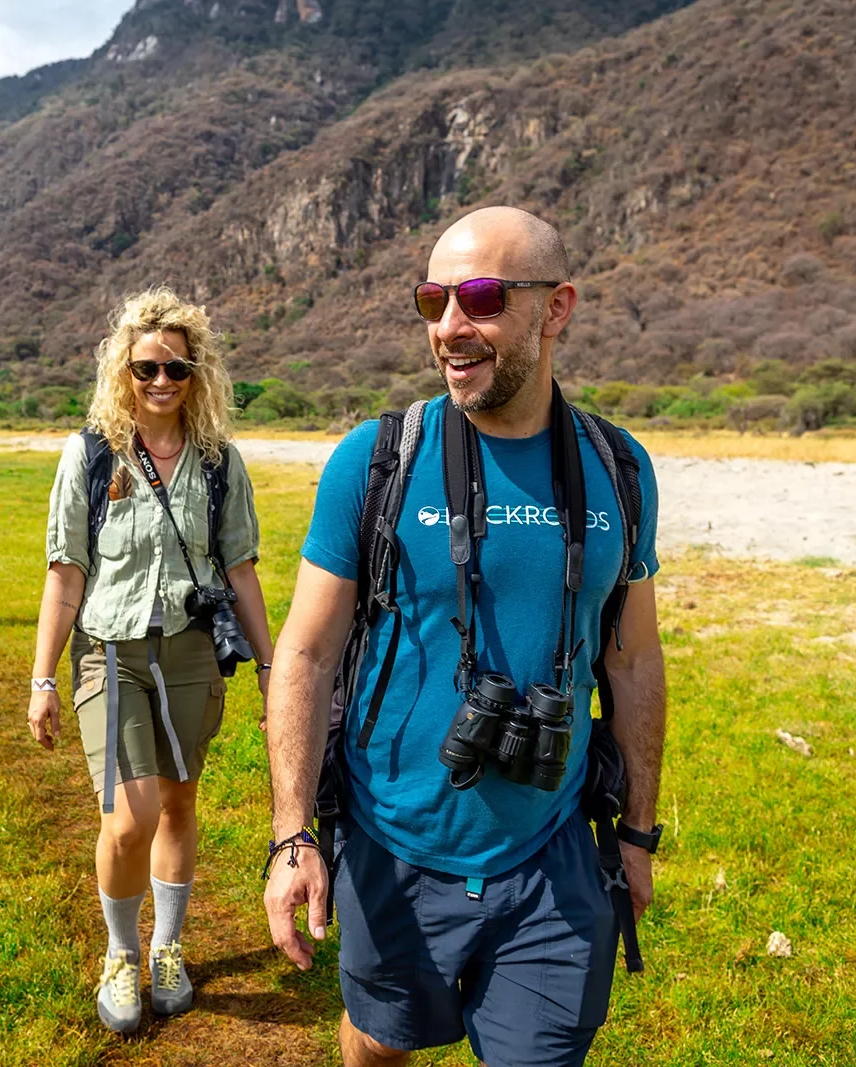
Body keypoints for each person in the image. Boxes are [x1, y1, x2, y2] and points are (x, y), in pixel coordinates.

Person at [262, 207, 666, 1067]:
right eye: (433, 300)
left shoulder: (620, 469)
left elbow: (632, 660)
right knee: (379, 1040)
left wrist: (636, 831)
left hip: (550, 851)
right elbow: (305, 652)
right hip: (394, 838)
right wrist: (294, 834)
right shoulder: (376, 460)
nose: (451, 327)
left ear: (556, 309)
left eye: (481, 297)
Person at [28, 288, 274, 1034]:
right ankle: (121, 953)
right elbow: (65, 571)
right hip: (112, 654)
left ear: (198, 373)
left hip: (194, 653)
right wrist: (42, 678)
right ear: (122, 371)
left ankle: (167, 947)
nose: (162, 381)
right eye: (146, 368)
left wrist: (272, 669)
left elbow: (242, 570)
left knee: (179, 799)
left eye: (177, 366)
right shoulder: (91, 453)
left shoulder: (219, 461)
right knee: (129, 816)